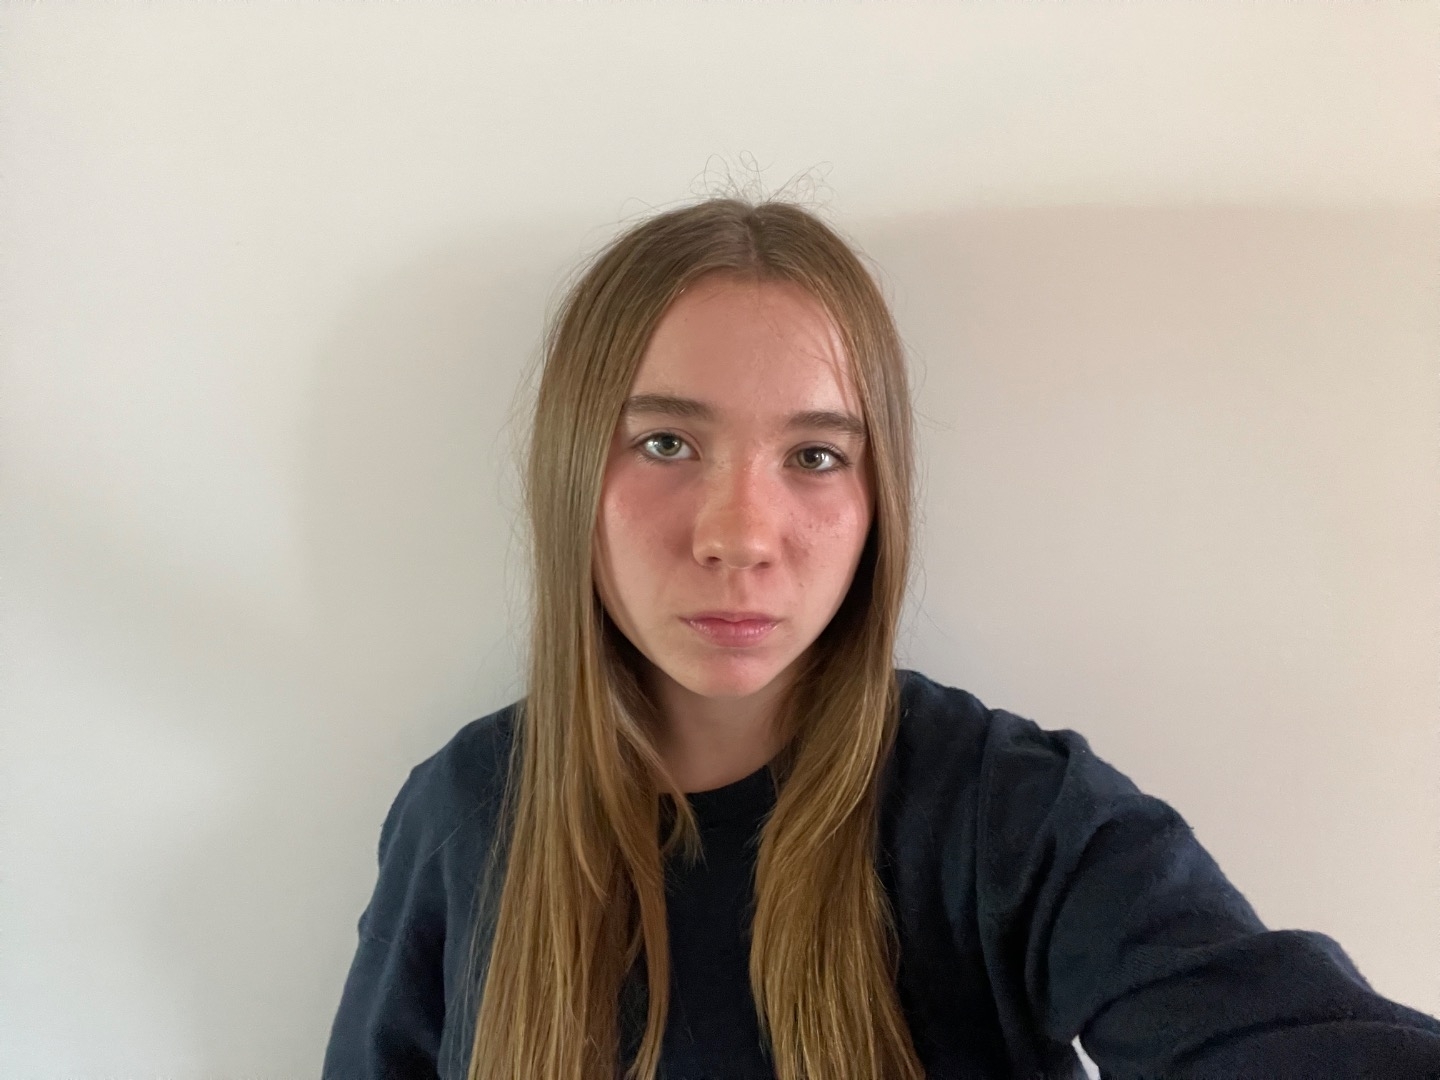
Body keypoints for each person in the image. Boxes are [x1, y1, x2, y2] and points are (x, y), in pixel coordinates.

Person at [322, 197, 1440, 1080]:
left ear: (877, 503)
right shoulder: (462, 816)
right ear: (573, 472)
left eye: (815, 456)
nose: (740, 535)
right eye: (665, 443)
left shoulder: (1010, 816)